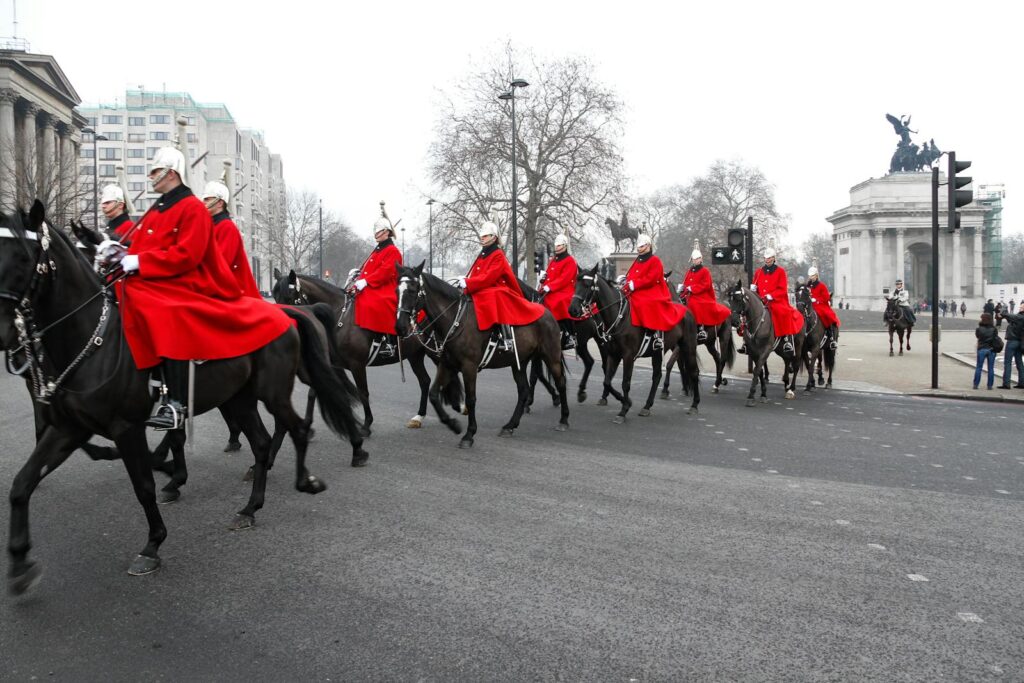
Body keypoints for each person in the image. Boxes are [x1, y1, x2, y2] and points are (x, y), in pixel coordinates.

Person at [97, 147, 292, 430]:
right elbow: (143, 247)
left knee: (168, 311)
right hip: (162, 277)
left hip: (192, 279)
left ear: (171, 173)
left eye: (154, 171)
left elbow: (188, 255)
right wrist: (118, 255)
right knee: (118, 295)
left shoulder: (193, 209)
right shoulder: (158, 208)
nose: (150, 176)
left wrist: (138, 260)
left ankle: (175, 402)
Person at [457, 221, 545, 348]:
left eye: (486, 236)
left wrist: (469, 282)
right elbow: (478, 275)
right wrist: (466, 280)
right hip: (486, 287)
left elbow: (489, 277)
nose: (482, 238)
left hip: (501, 288)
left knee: (494, 295)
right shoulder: (483, 254)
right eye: (482, 236)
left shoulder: (498, 255)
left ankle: (504, 335)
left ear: (494, 237)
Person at [622, 234, 686, 350]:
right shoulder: (637, 260)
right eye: (638, 247)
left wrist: (634, 284)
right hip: (637, 291)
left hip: (653, 291)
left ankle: (657, 335)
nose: (639, 249)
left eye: (641, 246)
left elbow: (652, 278)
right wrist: (626, 281)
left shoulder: (655, 260)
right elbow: (632, 275)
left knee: (647, 303)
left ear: (648, 246)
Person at [201, 181, 261, 299]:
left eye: (208, 199)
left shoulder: (227, 228)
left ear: (219, 203)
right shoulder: (210, 227)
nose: (204, 203)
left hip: (237, 293)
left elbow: (220, 265)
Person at [348, 216, 403, 338]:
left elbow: (386, 272)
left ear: (386, 232)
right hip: (372, 285)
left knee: (375, 303)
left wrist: (366, 281)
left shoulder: (393, 251)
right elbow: (370, 269)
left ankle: (385, 339)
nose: (375, 234)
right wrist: (360, 273)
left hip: (385, 287)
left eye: (378, 231)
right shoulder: (378, 249)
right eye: (375, 231)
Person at [750, 248, 803, 354]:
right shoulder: (759, 272)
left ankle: (787, 340)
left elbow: (782, 289)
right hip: (761, 300)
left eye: (769, 258)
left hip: (776, 301)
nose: (767, 260)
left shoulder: (780, 271)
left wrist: (772, 295)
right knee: (749, 313)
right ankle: (747, 341)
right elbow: (756, 285)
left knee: (784, 313)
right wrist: (754, 289)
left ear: (774, 258)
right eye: (765, 258)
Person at [678, 247, 731, 343]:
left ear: (701, 259)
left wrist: (692, 288)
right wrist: (682, 288)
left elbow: (706, 285)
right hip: (689, 295)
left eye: (697, 258)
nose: (696, 260)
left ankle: (701, 328)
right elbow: (686, 283)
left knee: (694, 304)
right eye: (694, 259)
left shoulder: (705, 271)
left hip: (703, 296)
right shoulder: (689, 271)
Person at [538, 233, 579, 349]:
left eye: (559, 246)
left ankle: (571, 335)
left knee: (559, 301)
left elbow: (564, 279)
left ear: (565, 246)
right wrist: (543, 280)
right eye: (556, 246)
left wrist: (550, 286)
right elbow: (549, 275)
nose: (557, 248)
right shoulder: (553, 260)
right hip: (552, 289)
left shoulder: (570, 261)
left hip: (565, 290)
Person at [806, 266, 840, 349]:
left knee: (827, 316)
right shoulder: (807, 286)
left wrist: (816, 300)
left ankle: (831, 337)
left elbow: (826, 298)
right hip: (810, 306)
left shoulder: (822, 286)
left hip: (820, 305)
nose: (811, 277)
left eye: (813, 275)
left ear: (816, 276)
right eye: (810, 276)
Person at [997, 301, 1024, 389]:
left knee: (1007, 362)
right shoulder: (1019, 317)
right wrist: (1005, 315)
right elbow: (1010, 318)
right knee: (1019, 362)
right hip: (1020, 342)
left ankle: (1006, 383)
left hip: (1012, 341)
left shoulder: (1020, 317)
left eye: (1021, 307)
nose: (1019, 308)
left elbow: (1005, 314)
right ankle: (1022, 383)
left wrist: (1004, 306)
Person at [974, 313, 998, 390]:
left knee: (979, 367)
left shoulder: (979, 329)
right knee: (991, 368)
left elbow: (978, 337)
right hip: (991, 349)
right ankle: (990, 386)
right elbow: (995, 338)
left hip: (982, 349)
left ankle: (976, 384)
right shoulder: (994, 329)